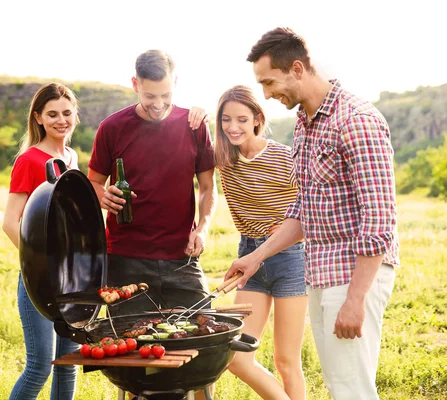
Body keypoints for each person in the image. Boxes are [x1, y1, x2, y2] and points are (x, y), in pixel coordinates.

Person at [224, 28, 400, 400]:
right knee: (340, 383)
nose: (268, 95)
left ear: (298, 68)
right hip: (319, 273)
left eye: (270, 82)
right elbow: (303, 209)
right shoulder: (306, 124)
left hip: (353, 275)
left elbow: (379, 218)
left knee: (352, 387)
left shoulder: (355, 120)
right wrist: (255, 257)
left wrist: (356, 298)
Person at [87, 49, 217, 399]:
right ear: (135, 85)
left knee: (204, 344)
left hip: (181, 258)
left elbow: (207, 188)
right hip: (127, 258)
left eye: (166, 95)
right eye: (149, 96)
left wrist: (202, 228)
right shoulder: (112, 127)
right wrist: (103, 194)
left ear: (176, 84)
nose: (158, 104)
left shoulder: (194, 126)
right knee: (131, 353)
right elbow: (93, 181)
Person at [214, 85, 307, 400]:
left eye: (241, 119)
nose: (233, 127)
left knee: (286, 360)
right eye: (226, 120)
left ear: (257, 119)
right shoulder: (223, 159)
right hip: (248, 256)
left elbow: (309, 210)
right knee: (238, 358)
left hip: (290, 257)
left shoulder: (283, 155)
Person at [2, 82, 82, 400]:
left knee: (67, 363)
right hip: (40, 281)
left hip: (72, 278)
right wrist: (40, 265)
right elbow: (10, 223)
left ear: (75, 115)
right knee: (40, 367)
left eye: (66, 112)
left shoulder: (71, 156)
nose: (60, 120)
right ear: (38, 118)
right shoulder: (29, 160)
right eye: (52, 114)